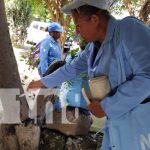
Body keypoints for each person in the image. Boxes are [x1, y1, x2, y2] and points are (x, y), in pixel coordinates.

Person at [27, 0, 150, 149]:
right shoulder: (93, 47)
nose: (77, 31)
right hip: (115, 123)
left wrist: (107, 106)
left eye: (79, 25)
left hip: (139, 124)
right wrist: (42, 82)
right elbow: (72, 69)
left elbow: (147, 76)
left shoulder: (129, 29)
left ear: (94, 20)